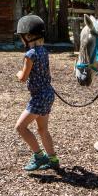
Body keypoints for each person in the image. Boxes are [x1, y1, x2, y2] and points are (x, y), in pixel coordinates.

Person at [14, 15, 59, 170]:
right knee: (42, 129)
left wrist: (18, 73)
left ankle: (39, 156)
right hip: (48, 94)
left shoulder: (30, 54)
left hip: (39, 97)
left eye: (21, 37)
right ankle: (53, 159)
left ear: (28, 36)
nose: (21, 41)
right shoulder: (44, 51)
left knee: (20, 127)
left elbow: (23, 77)